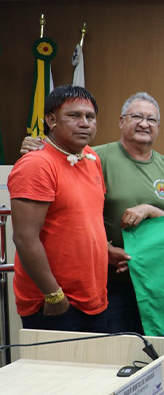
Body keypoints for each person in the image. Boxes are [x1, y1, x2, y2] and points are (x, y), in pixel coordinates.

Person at [10, 85, 108, 332]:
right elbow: (24, 239)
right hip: (55, 304)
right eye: (74, 116)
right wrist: (53, 295)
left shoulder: (91, 157)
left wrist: (106, 250)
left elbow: (83, 220)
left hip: (94, 299)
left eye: (90, 117)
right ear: (51, 120)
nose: (84, 123)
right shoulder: (37, 164)